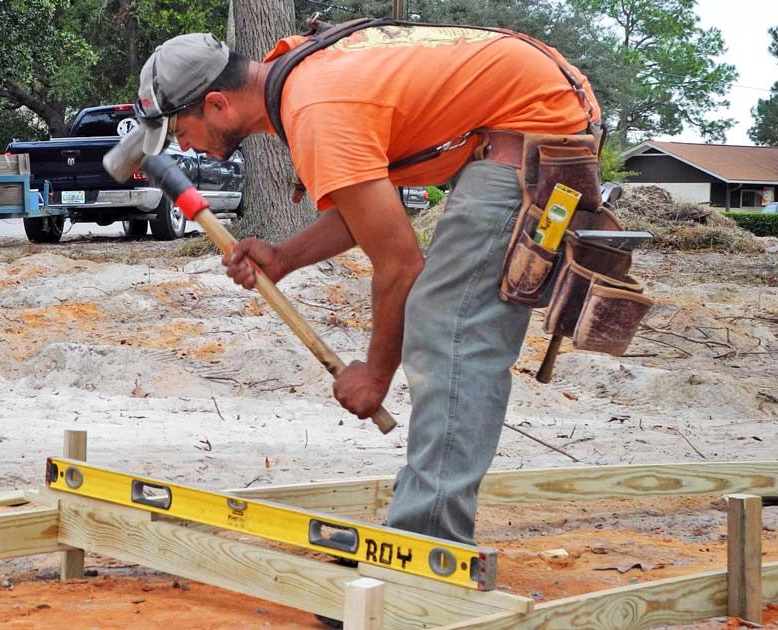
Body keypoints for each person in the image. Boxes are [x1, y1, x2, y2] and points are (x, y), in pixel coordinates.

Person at [133, 25, 601, 546]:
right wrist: (285, 257)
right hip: (525, 118)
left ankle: (424, 551)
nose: (183, 145)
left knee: (450, 328)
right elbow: (371, 212)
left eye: (180, 130)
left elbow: (400, 264)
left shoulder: (316, 109)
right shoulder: (299, 76)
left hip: (540, 133)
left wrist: (376, 375)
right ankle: (424, 532)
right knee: (441, 319)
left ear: (217, 104)